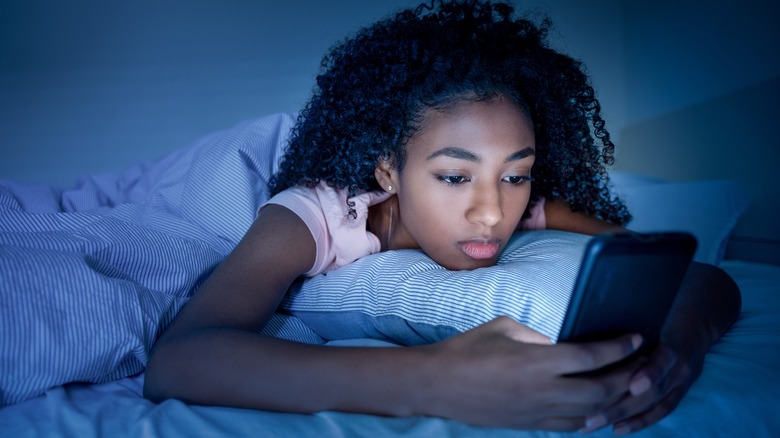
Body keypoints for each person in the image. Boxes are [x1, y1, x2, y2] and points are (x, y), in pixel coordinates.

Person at [143, 0, 740, 434]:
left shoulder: (525, 207)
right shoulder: (317, 212)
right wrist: (434, 379)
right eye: (455, 177)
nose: (491, 212)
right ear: (386, 173)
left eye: (515, 173)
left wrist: (682, 343)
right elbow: (178, 360)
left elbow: (695, 272)